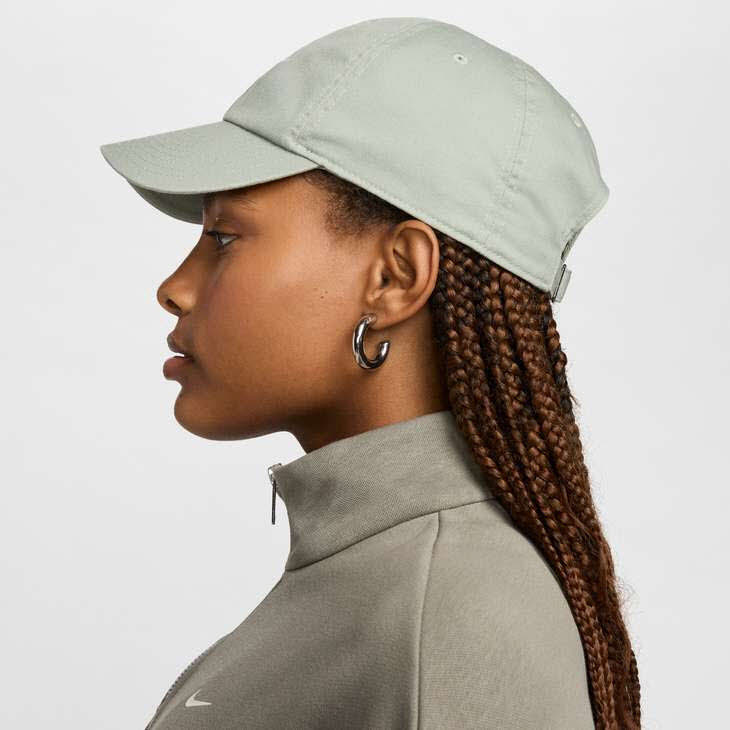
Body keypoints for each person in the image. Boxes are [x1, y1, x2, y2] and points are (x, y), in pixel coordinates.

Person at [99, 17, 641, 730]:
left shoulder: (454, 615)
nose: (174, 288)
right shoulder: (389, 575)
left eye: (224, 238)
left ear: (395, 278)